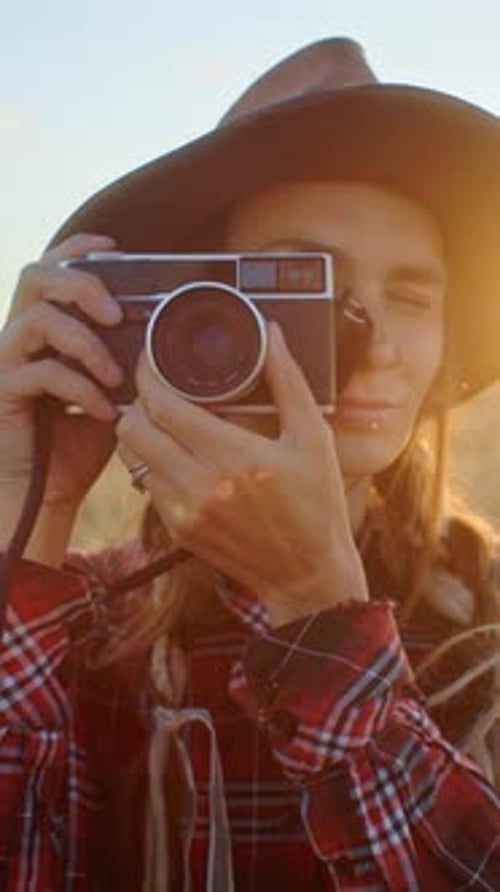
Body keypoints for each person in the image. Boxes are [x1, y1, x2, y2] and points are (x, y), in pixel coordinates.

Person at [0, 37, 499, 891]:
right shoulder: (80, 632)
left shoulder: (485, 622)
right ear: (195, 316)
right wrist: (28, 508)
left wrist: (322, 608)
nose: (370, 340)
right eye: (305, 285)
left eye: (411, 296)